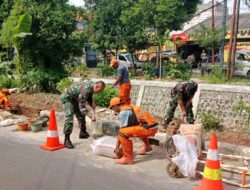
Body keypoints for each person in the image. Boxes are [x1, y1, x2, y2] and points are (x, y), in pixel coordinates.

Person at [109, 97, 158, 165]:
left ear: (116, 105)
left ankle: (128, 158)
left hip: (148, 128)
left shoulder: (124, 112)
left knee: (122, 132)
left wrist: (117, 147)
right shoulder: (130, 106)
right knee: (135, 130)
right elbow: (131, 127)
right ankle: (147, 146)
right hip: (153, 127)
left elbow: (122, 131)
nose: (113, 110)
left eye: (112, 108)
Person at [61, 80, 105, 149]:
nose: (101, 92)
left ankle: (83, 133)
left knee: (81, 115)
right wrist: (91, 116)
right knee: (69, 117)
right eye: (100, 90)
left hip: (75, 98)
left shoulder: (92, 85)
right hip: (67, 98)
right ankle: (66, 139)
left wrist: (92, 103)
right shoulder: (87, 90)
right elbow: (82, 107)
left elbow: (89, 96)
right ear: (96, 87)